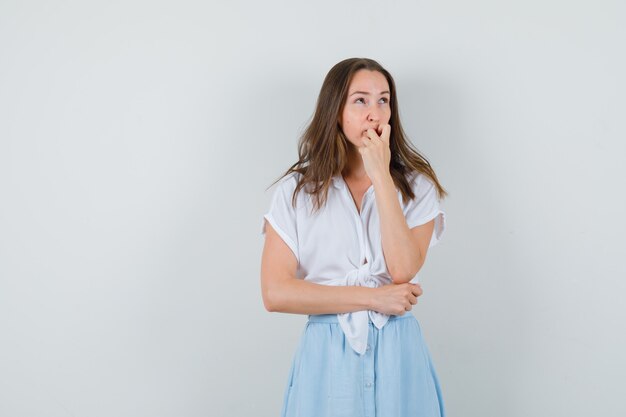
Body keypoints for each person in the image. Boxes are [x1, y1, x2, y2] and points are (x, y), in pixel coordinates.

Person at [260, 57, 448, 417]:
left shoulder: (417, 187)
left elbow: (403, 269)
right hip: (327, 354)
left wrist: (381, 175)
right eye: (360, 100)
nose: (374, 113)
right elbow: (275, 293)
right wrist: (374, 298)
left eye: (383, 100)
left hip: (399, 354)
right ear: (336, 110)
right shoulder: (295, 192)